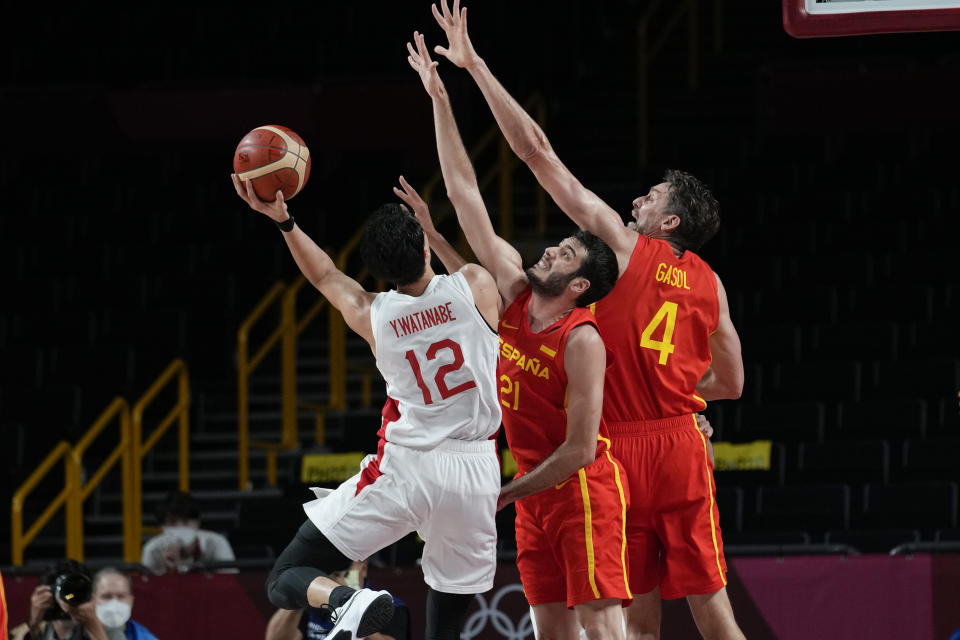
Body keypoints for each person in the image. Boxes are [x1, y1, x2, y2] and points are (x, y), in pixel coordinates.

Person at [428, 3, 746, 639]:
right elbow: (730, 383)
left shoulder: (624, 252)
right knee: (714, 616)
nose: (636, 200)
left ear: (669, 223)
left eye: (650, 198)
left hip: (616, 451)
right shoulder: (712, 284)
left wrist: (475, 68)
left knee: (637, 623)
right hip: (682, 444)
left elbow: (538, 153)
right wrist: (677, 397)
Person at [400, 31, 629, 640]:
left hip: (581, 491)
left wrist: (502, 494)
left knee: (603, 631)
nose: (551, 247)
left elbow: (580, 450)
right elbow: (463, 191)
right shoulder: (513, 290)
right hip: (530, 493)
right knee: (550, 632)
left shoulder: (582, 341)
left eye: (566, 253)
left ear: (579, 286)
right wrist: (439, 96)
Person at [230, 169, 503, 640]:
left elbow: (323, 274)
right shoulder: (476, 285)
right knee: (450, 616)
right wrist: (430, 229)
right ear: (422, 250)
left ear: (377, 270)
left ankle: (344, 600)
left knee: (286, 577)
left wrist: (284, 220)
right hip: (475, 469)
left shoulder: (371, 314)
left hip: (408, 465)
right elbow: (466, 270)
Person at [264, 561, 409, 640]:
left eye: (342, 573)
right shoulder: (313, 600)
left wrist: (357, 611)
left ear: (363, 568)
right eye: (332, 574)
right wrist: (299, 593)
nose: (336, 581)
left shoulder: (390, 606)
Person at [140, 490, 235, 574]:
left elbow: (231, 583)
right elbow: (147, 590)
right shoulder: (152, 550)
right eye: (172, 522)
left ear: (198, 522)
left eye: (186, 522)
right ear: (163, 526)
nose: (180, 528)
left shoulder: (217, 544)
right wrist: (167, 573)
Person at [12, 560, 108, 640]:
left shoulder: (108, 629)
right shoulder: (22, 633)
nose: (68, 598)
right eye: (65, 591)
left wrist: (93, 626)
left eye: (76, 591)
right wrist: (34, 624)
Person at [90, 569, 157, 640]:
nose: (114, 604)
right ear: (93, 600)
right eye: (107, 596)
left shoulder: (145, 637)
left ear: (131, 601)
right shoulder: (78, 634)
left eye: (121, 596)